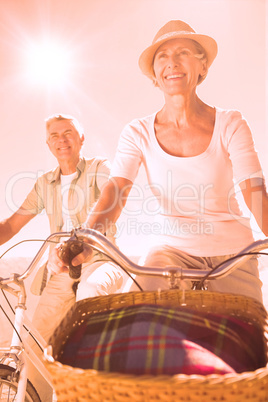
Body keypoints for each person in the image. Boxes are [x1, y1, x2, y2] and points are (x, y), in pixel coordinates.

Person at [58, 20, 267, 304]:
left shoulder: (231, 123)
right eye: (163, 56)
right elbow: (116, 192)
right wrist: (86, 237)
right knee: (136, 321)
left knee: (251, 337)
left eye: (183, 53)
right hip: (170, 252)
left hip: (234, 253)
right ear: (155, 74)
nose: (173, 63)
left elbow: (254, 192)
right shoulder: (137, 132)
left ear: (202, 66)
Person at [0, 114, 123, 343]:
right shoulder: (44, 184)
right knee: (36, 339)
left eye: (68, 133)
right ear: (48, 144)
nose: (61, 140)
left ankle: (90, 368)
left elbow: (111, 197)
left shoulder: (98, 167)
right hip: (62, 267)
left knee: (90, 291)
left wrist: (86, 238)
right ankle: (36, 379)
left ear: (81, 138)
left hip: (101, 261)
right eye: (54, 135)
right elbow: (11, 225)